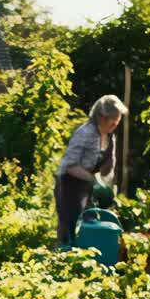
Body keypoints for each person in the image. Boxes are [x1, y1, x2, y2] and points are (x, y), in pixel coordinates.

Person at [55, 95, 127, 246]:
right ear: (101, 117)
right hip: (69, 186)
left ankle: (90, 257)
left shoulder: (110, 137)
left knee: (91, 226)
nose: (115, 126)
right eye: (113, 122)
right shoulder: (85, 133)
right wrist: (94, 180)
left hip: (87, 187)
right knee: (70, 230)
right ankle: (65, 256)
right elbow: (70, 166)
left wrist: (106, 184)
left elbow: (107, 170)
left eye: (117, 122)